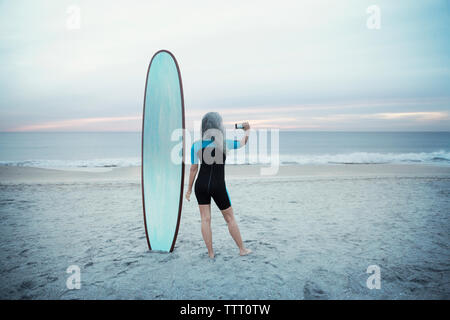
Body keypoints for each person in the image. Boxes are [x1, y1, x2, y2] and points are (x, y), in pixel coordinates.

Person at [185, 112, 252, 258]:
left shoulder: (196, 145)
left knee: (205, 219)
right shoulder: (224, 143)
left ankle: (210, 253)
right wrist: (247, 130)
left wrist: (189, 189)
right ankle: (242, 249)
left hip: (200, 185)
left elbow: (193, 169)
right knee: (230, 218)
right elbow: (242, 143)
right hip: (218, 186)